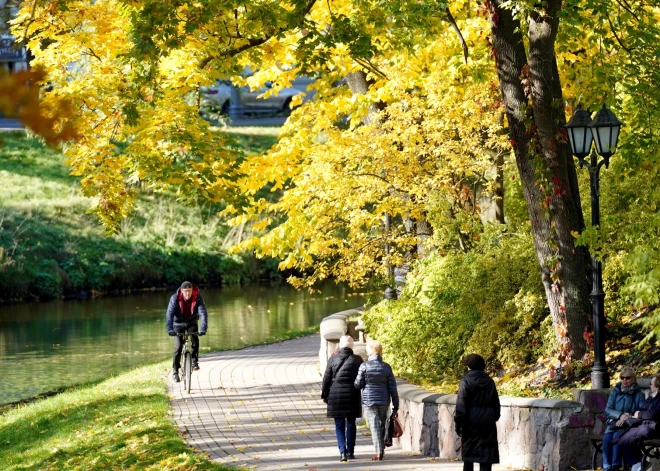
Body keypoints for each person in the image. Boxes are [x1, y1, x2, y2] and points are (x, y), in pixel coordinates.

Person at [354, 339, 399, 461]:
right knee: (381, 424)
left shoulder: (364, 366)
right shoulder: (386, 367)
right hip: (384, 400)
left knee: (374, 426)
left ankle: (379, 452)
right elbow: (392, 387)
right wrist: (396, 405)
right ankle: (381, 450)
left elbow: (358, 384)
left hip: (369, 400)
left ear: (370, 351)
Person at [321, 335, 364, 462]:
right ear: (352, 346)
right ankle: (350, 451)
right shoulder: (358, 359)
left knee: (339, 424)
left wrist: (325, 394)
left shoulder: (333, 359)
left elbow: (326, 379)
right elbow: (362, 378)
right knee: (351, 424)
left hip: (336, 394)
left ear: (340, 345)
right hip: (352, 394)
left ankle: (342, 452)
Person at [454, 353, 500, 471]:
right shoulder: (489, 381)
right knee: (486, 453)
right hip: (487, 419)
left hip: (470, 420)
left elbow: (461, 404)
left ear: (469, 366)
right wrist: (494, 416)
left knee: (469, 454)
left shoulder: (465, 382)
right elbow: (495, 401)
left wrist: (458, 424)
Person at [613, 373, 660, 470]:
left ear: (657, 386)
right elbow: (639, 408)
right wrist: (638, 413)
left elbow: (653, 414)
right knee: (621, 439)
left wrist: (639, 414)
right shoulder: (651, 398)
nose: (650, 386)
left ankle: (638, 464)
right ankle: (638, 462)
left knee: (633, 436)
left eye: (651, 384)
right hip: (643, 424)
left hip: (654, 427)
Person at [602, 366, 645, 471]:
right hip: (614, 423)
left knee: (617, 437)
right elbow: (607, 410)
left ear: (633, 379)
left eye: (628, 378)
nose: (624, 380)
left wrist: (627, 417)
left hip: (627, 425)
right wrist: (620, 415)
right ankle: (607, 466)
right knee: (607, 439)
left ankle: (615, 466)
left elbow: (640, 412)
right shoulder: (615, 392)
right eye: (622, 377)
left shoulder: (639, 394)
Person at [166, 281, 208, 382]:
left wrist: (203, 328)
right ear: (181, 291)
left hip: (191, 322)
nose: (188, 293)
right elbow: (169, 314)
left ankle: (194, 361)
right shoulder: (174, 298)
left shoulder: (198, 298)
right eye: (185, 291)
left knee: (195, 339)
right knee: (178, 346)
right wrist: (170, 329)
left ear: (192, 290)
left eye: (189, 291)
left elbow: (203, 314)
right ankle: (175, 371)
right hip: (178, 324)